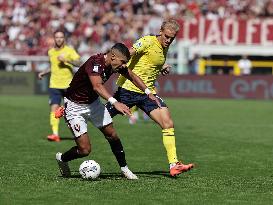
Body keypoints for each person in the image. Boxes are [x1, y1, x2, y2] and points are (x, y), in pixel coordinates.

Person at [55, 43, 159, 179]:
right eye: (122, 62)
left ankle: (125, 169)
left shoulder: (115, 64)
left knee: (112, 135)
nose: (123, 65)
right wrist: (115, 103)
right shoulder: (95, 63)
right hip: (75, 106)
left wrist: (148, 92)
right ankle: (62, 158)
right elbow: (97, 86)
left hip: (93, 104)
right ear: (113, 57)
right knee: (85, 150)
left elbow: (132, 76)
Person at [106, 19, 194, 177]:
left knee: (167, 122)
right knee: (101, 116)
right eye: (166, 36)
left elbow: (150, 62)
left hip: (148, 93)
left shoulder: (164, 47)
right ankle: (71, 109)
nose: (168, 40)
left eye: (172, 38)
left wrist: (162, 67)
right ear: (161, 31)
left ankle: (174, 164)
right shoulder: (147, 41)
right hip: (128, 90)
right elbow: (128, 53)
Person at [38, 30, 81, 142]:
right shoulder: (51, 52)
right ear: (54, 38)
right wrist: (44, 72)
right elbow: (53, 66)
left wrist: (66, 60)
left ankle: (77, 134)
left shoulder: (69, 50)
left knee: (70, 112)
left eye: (61, 37)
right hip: (54, 85)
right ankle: (55, 134)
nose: (59, 39)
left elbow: (79, 63)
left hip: (68, 85)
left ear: (64, 39)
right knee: (54, 109)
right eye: (57, 37)